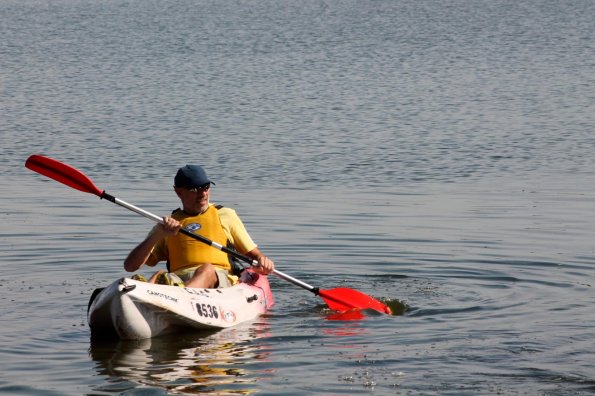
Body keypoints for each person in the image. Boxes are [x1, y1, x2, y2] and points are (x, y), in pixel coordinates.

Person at [123, 164, 275, 288]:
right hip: (177, 280)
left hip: (216, 279)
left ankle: (182, 296)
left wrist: (263, 261)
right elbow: (130, 266)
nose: (202, 193)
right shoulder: (167, 225)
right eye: (194, 189)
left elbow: (255, 256)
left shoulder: (225, 215)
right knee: (159, 274)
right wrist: (158, 234)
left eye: (206, 186)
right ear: (178, 192)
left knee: (206, 269)